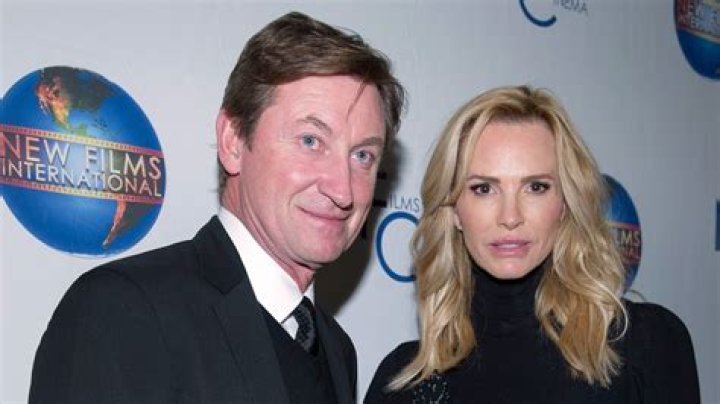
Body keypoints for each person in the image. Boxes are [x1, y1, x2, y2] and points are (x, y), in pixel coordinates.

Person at [29, 11, 405, 404]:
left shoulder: (336, 349)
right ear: (233, 141)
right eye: (310, 141)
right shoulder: (122, 312)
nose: (343, 190)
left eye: (362, 155)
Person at [365, 86, 699, 403]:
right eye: (483, 189)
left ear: (565, 203)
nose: (510, 217)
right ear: (452, 210)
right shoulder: (402, 381)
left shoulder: (646, 345)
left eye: (536, 187)